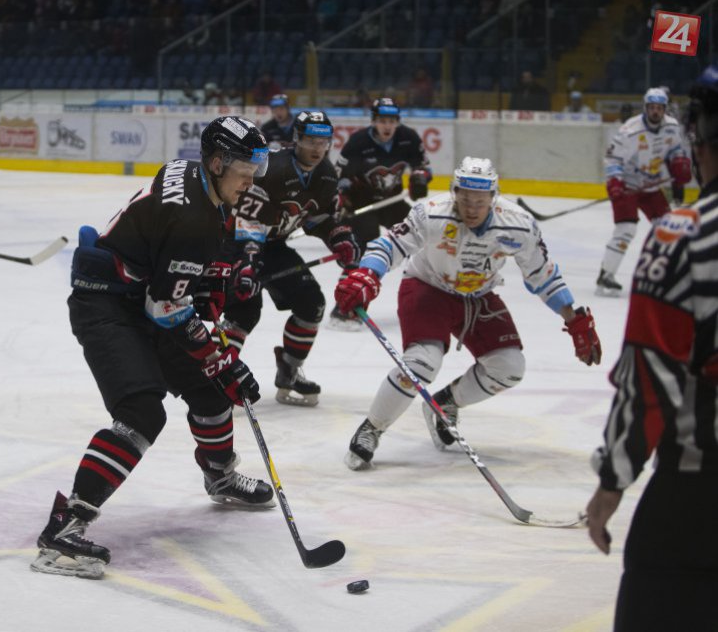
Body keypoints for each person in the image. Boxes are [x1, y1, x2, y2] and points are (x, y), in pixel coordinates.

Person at [30, 116, 275, 580]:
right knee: (144, 411)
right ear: (219, 162)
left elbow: (173, 274)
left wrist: (217, 282)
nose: (252, 182)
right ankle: (64, 529)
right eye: (246, 170)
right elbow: (166, 306)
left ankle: (220, 475)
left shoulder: (193, 176)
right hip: (107, 305)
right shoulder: (193, 219)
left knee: (211, 391)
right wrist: (221, 355)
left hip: (139, 295)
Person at [333, 156, 602, 470]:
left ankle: (444, 404)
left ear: (493, 196)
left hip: (478, 296)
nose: (472, 208)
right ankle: (373, 428)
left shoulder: (518, 224)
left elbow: (542, 274)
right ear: (454, 192)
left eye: (480, 201)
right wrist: (367, 274)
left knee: (509, 367)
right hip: (426, 287)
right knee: (421, 364)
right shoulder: (431, 213)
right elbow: (391, 244)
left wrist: (573, 317)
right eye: (465, 199)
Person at [585, 64, 718, 631]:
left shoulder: (684, 234)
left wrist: (613, 480)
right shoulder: (634, 133)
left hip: (698, 494)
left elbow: (650, 373)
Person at [222, 110, 360, 406]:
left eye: (322, 141)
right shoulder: (271, 168)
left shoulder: (325, 174)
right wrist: (247, 263)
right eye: (310, 140)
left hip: (271, 246)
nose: (316, 147)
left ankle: (289, 370)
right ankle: (217, 377)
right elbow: (248, 220)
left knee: (312, 304)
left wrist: (339, 236)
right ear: (296, 139)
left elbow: (319, 217)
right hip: (235, 242)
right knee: (245, 310)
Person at [330, 97, 431, 329]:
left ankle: (433, 299)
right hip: (361, 203)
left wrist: (420, 179)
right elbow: (339, 175)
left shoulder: (408, 138)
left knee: (423, 236)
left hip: (392, 201)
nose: (387, 126)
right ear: (374, 121)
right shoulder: (358, 142)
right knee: (364, 251)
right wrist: (342, 196)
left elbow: (423, 166)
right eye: (382, 120)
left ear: (397, 122)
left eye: (391, 121)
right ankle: (345, 307)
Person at [597, 87, 691, 296]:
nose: (656, 112)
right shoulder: (630, 130)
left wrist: (679, 162)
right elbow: (613, 159)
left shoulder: (672, 127)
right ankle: (606, 274)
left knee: (667, 229)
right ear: (645, 108)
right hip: (627, 186)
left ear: (664, 109)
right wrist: (615, 183)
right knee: (626, 230)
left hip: (652, 187)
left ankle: (668, 277)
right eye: (652, 107)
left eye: (659, 108)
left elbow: (676, 149)